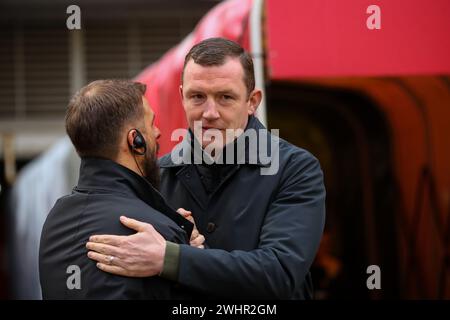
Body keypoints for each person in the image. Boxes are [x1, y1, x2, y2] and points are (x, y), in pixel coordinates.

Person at [86, 38, 326, 299]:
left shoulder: (296, 169)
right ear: (181, 97)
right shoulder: (155, 175)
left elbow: (278, 274)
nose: (210, 113)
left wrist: (170, 258)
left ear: (252, 101)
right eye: (197, 96)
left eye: (225, 97)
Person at [39, 79, 204, 299]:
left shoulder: (54, 221)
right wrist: (190, 257)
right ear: (134, 140)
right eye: (151, 123)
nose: (158, 132)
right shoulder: (155, 232)